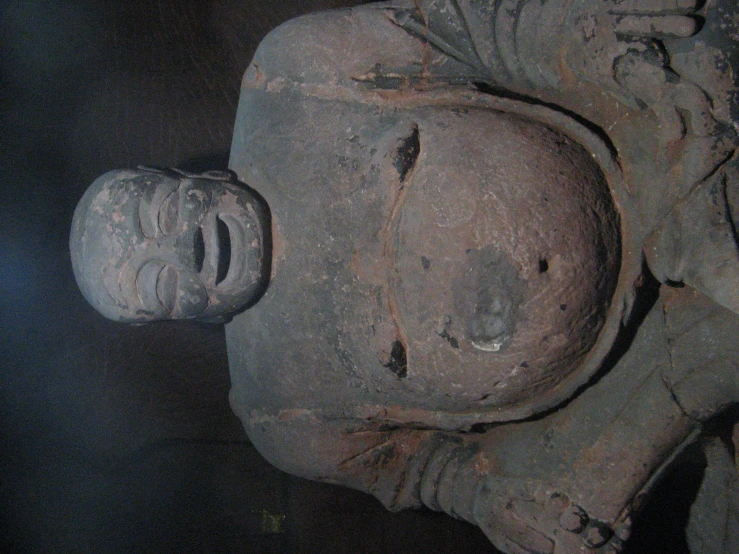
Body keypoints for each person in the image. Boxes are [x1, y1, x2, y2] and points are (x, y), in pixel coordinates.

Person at [70, 1, 739, 552]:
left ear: (181, 176)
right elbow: (426, 471)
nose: (187, 251)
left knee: (690, 40)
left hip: (638, 141)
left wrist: (586, 45)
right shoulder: (282, 417)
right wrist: (497, 505)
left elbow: (465, 29)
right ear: (173, 318)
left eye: (162, 210)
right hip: (633, 381)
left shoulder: (293, 74)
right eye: (158, 283)